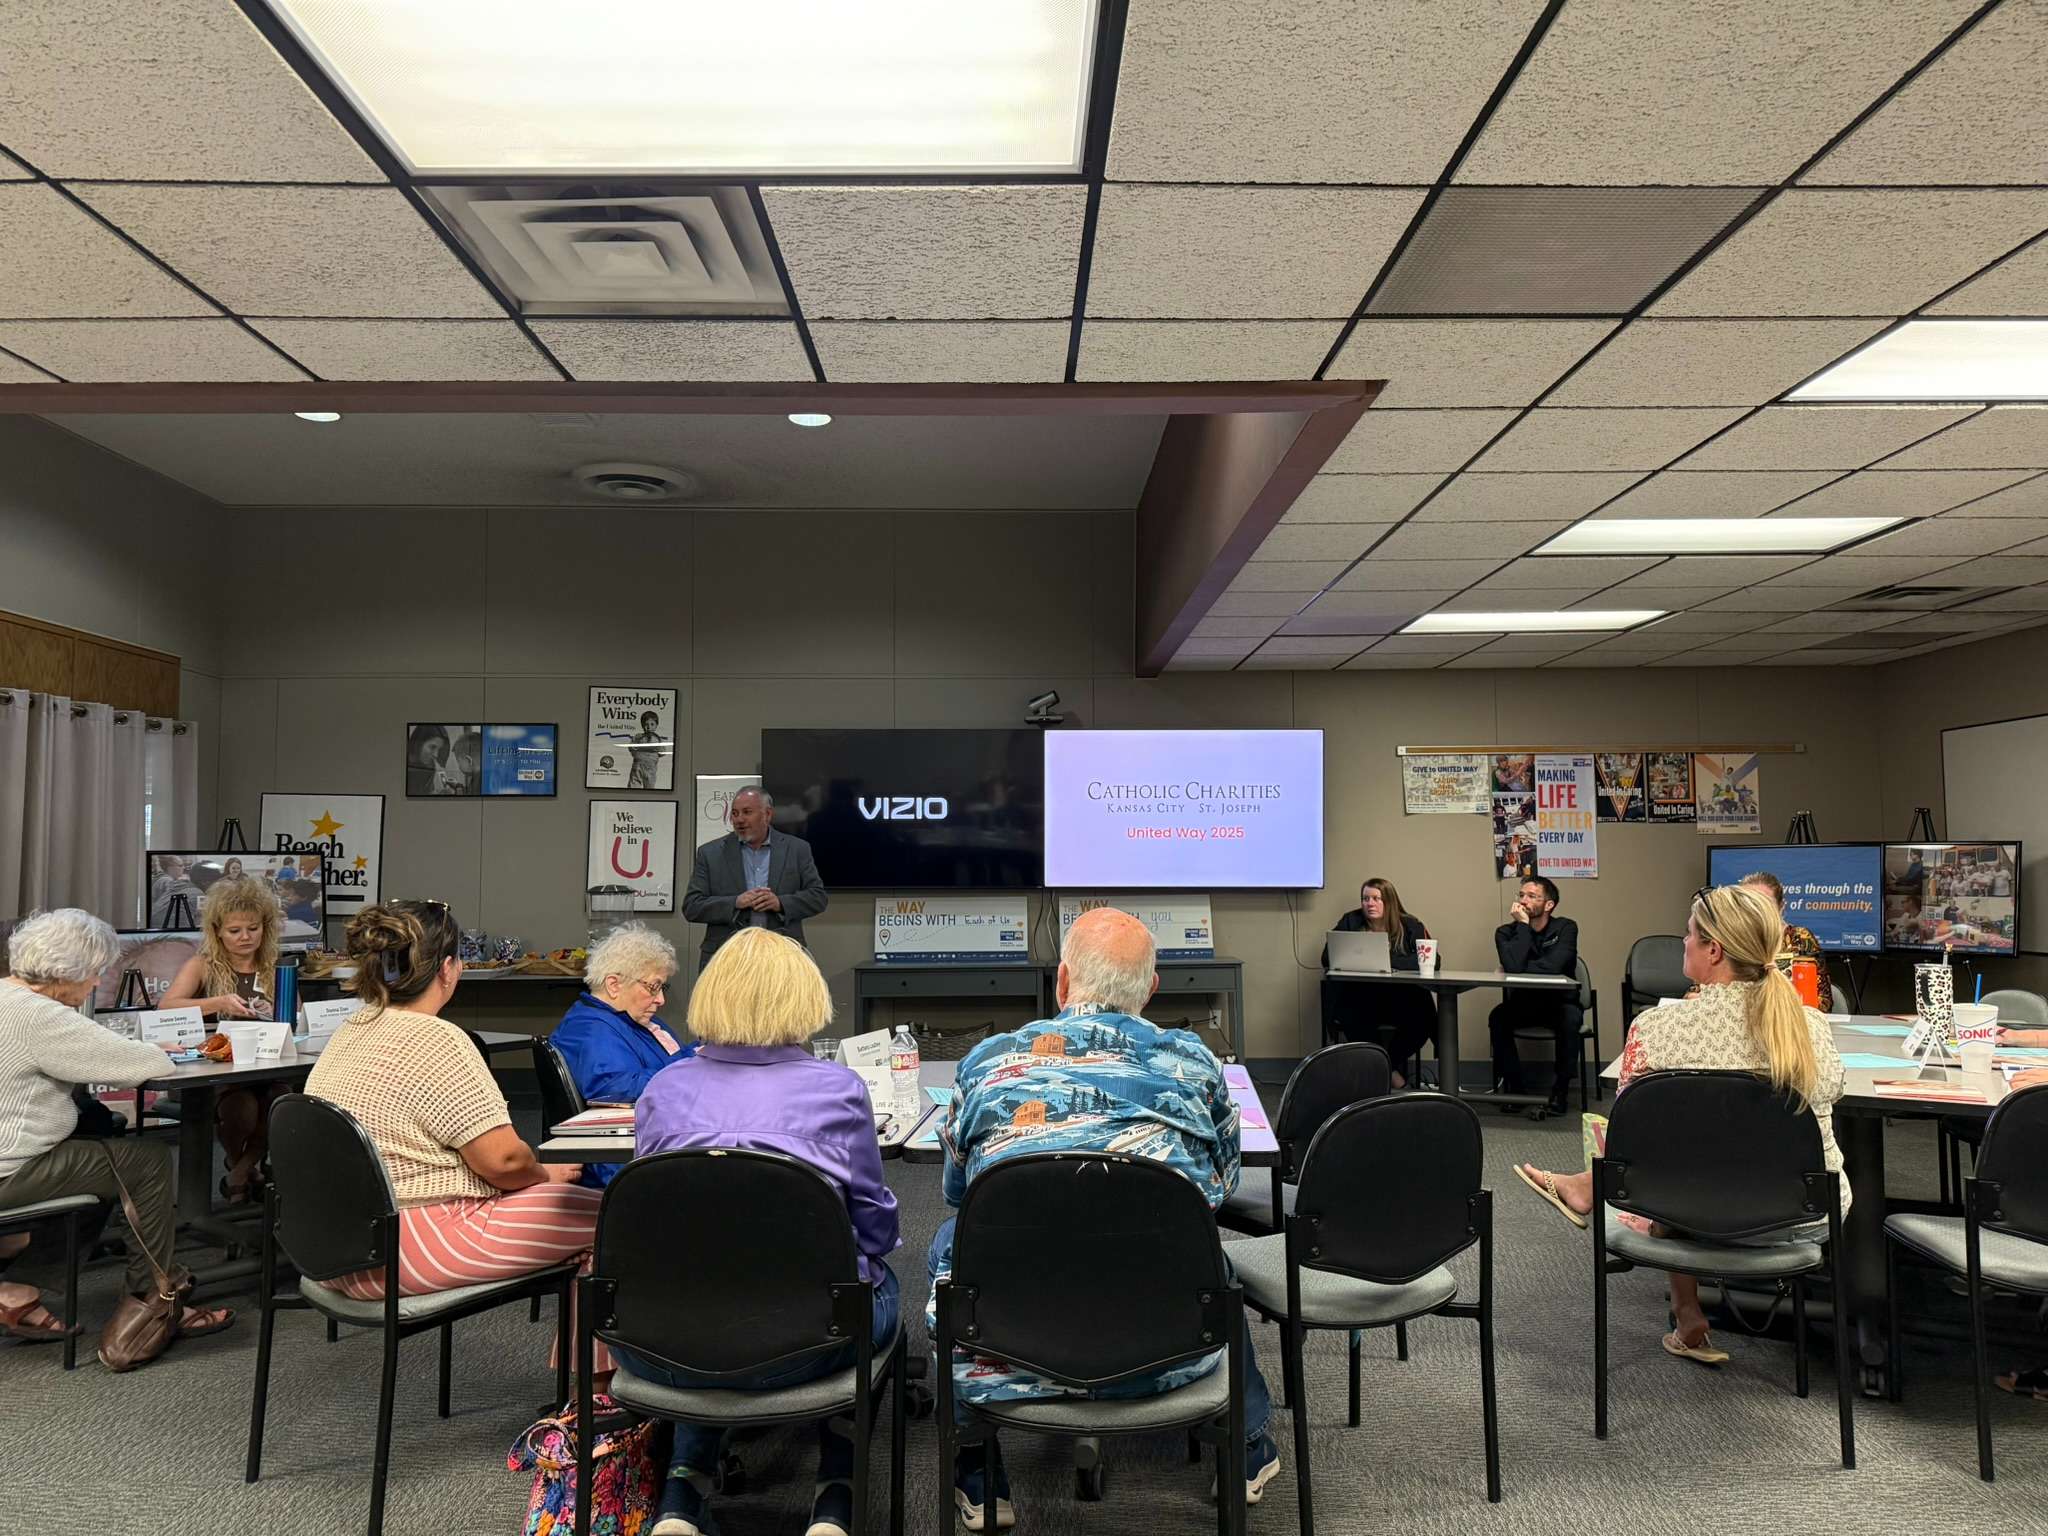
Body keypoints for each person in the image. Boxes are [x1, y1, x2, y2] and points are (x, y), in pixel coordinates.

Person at [931, 907, 1280, 1530]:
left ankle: (979, 1474)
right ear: (1151, 989)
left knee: (948, 1245)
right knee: (1207, 1252)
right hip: (1172, 1353)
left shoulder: (987, 1063)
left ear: (1062, 983)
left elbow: (961, 1192)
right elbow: (1221, 1189)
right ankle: (1248, 1446)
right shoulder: (1194, 1066)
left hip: (1011, 1351)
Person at [630, 928, 899, 1536]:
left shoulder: (662, 1090)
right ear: (802, 998)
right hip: (810, 1341)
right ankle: (834, 1498)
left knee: (709, 1284)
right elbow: (876, 1231)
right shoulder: (839, 1091)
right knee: (877, 1293)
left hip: (663, 1342)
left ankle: (681, 1499)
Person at [1511, 884, 1848, 1364]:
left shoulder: (1655, 1028)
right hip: (1800, 1222)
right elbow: (1831, 1093)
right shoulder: (1809, 1026)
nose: (1682, 942)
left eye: (1688, 934)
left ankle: (1675, 1298)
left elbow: (1633, 1133)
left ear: (1714, 950)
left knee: (1666, 1156)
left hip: (1684, 1213)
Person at [304, 901, 604, 1371]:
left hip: (333, 1249)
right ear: (447, 969)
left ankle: (591, 1392)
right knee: (624, 1220)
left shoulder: (349, 1030)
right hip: (408, 1248)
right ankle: (595, 1399)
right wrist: (545, 1174)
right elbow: (503, 1163)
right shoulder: (438, 1039)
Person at [0, 909, 233, 1357]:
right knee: (145, 1161)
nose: (94, 984)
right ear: (67, 972)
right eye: (94, 974)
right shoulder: (41, 1016)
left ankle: (19, 1289)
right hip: (9, 1172)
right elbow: (145, 1065)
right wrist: (155, 1049)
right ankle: (156, 1299)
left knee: (97, 1159)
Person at [162, 874, 288, 1202]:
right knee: (241, 1107)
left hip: (269, 1064)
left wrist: (274, 1008)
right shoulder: (201, 965)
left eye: (253, 928)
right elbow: (167, 1006)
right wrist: (216, 1002)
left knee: (282, 1103)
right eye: (235, 931)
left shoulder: (274, 966)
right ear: (217, 931)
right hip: (217, 1069)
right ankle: (241, 1166)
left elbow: (295, 1018)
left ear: (266, 927)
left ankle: (239, 1171)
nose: (245, 937)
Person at [546, 922, 694, 1188]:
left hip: (646, 1146)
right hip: (625, 1165)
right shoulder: (590, 1029)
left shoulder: (622, 1020)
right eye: (653, 987)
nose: (661, 1000)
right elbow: (615, 1088)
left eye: (663, 988)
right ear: (614, 984)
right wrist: (695, 1059)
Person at [682, 786, 828, 964]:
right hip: (727, 959)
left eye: (747, 812)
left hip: (783, 957)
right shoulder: (710, 853)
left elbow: (818, 897)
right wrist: (735, 902)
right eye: (735, 813)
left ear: (767, 814)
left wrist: (780, 903)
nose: (739, 819)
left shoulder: (796, 849)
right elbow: (692, 906)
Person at [1320, 877, 1436, 1087]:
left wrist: (1385, 959)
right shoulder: (1351, 921)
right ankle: (1391, 1077)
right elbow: (1327, 957)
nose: (1369, 904)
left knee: (1423, 1014)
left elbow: (1432, 961)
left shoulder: (1410, 924)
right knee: (1350, 1010)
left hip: (1400, 998)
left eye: (1376, 898)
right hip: (1363, 997)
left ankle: (1384, 1069)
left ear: (1389, 901)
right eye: (1365, 898)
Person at [1488, 876, 1583, 1117]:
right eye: (1521, 895)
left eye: (1531, 896)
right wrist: (1522, 926)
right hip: (1524, 1003)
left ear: (1548, 905)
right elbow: (1514, 965)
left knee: (1571, 1018)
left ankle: (1560, 1092)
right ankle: (1516, 1091)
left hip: (1558, 1003)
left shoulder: (1566, 928)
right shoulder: (1505, 933)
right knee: (1498, 1017)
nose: (1523, 901)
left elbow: (1553, 967)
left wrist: (1516, 968)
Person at [1739, 870, 1834, 1012]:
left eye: (1765, 904)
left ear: (1781, 907)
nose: (1757, 911)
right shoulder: (1730, 941)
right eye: (1750, 904)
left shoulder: (1800, 939)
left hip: (1790, 1024)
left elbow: (1822, 1000)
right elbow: (1699, 994)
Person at [628, 710, 666, 789]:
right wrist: (636, 754)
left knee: (650, 786)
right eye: (646, 724)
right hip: (638, 766)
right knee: (634, 784)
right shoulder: (638, 737)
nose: (649, 727)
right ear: (642, 725)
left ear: (656, 725)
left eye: (652, 724)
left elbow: (663, 752)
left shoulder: (658, 739)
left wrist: (656, 751)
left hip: (651, 768)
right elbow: (631, 747)